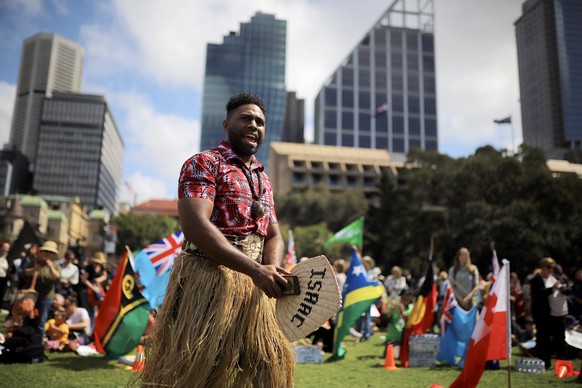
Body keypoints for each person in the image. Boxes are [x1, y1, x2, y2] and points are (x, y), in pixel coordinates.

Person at [142, 93, 294, 387]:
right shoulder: (204, 162)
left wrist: (270, 271)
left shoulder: (264, 178)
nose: (254, 125)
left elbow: (273, 234)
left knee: (269, 361)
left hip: (253, 288)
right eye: (246, 118)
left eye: (260, 122)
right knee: (202, 367)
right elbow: (196, 225)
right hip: (209, 281)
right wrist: (254, 269)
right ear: (226, 124)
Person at [21, 241, 61, 336]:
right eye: (46, 251)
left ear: (53, 255)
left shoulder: (55, 265)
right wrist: (36, 268)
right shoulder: (34, 262)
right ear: (42, 252)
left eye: (50, 252)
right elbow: (24, 273)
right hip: (31, 296)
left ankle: (39, 344)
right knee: (27, 319)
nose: (47, 254)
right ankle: (25, 341)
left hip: (46, 296)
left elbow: (57, 277)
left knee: (41, 321)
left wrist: (50, 266)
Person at [530, 257, 561, 369]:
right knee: (542, 338)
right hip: (540, 314)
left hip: (553, 313)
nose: (551, 270)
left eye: (552, 267)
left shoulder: (553, 278)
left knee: (550, 338)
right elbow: (538, 295)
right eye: (549, 267)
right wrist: (552, 289)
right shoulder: (535, 280)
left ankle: (548, 362)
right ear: (542, 267)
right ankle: (543, 361)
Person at [0, 241, 9, 310]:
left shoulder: (8, 259)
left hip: (3, 280)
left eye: (7, 248)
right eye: (4, 247)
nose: (6, 249)